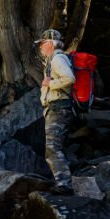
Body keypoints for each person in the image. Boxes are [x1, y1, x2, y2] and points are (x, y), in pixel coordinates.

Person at [35, 28, 75, 193]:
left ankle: (64, 184)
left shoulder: (58, 59)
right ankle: (62, 181)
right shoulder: (53, 60)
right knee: (55, 147)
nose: (41, 47)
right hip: (57, 108)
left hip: (59, 108)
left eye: (43, 43)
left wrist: (49, 84)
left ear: (50, 44)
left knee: (52, 147)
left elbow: (69, 78)